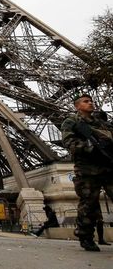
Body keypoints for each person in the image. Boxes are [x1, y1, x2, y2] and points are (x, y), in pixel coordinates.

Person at [61, 92, 113, 252]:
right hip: (87, 169)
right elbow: (69, 142)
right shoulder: (72, 122)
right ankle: (85, 236)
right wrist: (90, 148)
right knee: (89, 204)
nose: (90, 103)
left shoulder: (103, 124)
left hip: (108, 166)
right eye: (85, 101)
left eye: (91, 100)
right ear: (77, 106)